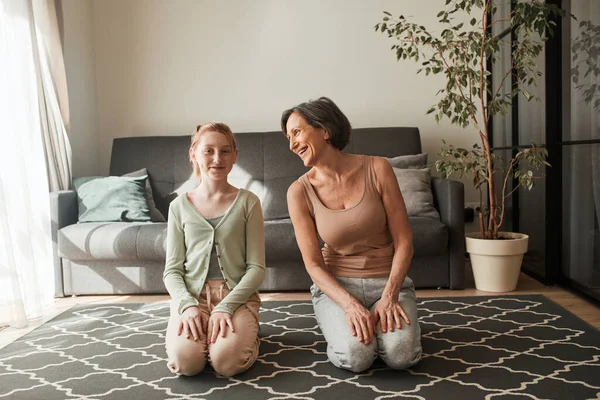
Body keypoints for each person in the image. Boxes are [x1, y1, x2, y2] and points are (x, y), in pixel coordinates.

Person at [282, 97, 422, 373]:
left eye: (296, 132)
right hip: (338, 288)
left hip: (387, 282)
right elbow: (313, 264)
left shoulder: (378, 168)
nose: (292, 144)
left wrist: (390, 295)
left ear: (324, 129)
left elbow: (404, 240)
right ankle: (342, 326)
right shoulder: (298, 192)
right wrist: (349, 306)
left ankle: (385, 331)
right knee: (357, 357)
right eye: (288, 137)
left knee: (401, 356)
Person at [163, 122, 266, 377]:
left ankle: (247, 333)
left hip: (236, 296)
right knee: (186, 364)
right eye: (208, 151)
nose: (217, 159)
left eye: (225, 151)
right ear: (194, 154)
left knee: (226, 363)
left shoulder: (248, 202)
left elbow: (256, 269)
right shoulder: (178, 207)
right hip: (192, 297)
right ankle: (201, 330)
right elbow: (172, 271)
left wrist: (225, 307)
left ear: (235, 156)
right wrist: (187, 306)